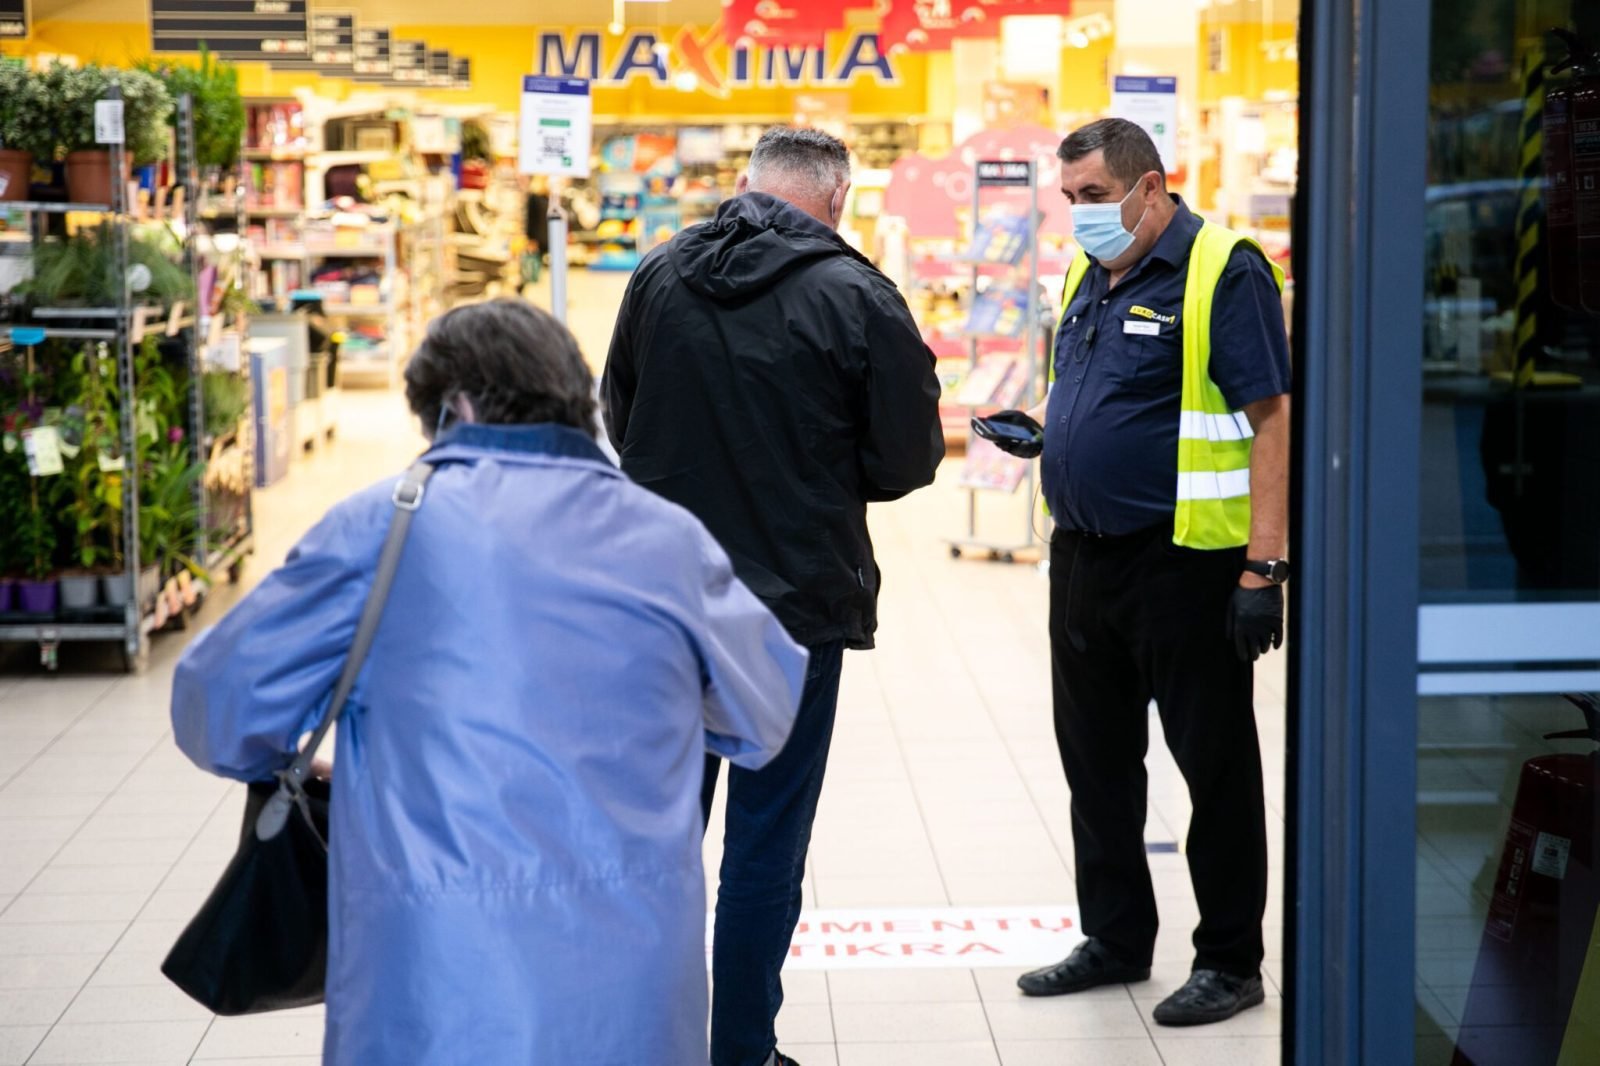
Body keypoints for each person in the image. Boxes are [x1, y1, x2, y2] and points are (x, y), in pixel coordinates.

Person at [170, 300, 809, 1065]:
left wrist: (299, 759)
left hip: (435, 986)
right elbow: (766, 713)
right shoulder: (665, 536)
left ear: (457, 406)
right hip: (633, 990)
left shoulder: (381, 527)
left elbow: (217, 704)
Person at [603, 127, 944, 1066]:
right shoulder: (860, 295)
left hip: (663, 607)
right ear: (836, 200)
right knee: (764, 845)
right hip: (791, 617)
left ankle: (642, 1039)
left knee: (659, 838)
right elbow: (907, 459)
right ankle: (740, 1051)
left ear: (747, 185)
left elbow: (620, 416)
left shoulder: (659, 274)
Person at [987, 118, 1291, 1026]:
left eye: (1093, 197)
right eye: (1068, 198)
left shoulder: (1221, 269)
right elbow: (1100, 390)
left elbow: (1271, 420)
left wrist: (1263, 568)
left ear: (1150, 188)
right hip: (1082, 559)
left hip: (1184, 565)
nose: (1078, 215)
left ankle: (1231, 960)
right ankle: (1116, 939)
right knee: (1098, 763)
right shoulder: (1091, 270)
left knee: (1215, 768)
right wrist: (1053, 436)